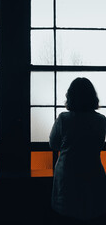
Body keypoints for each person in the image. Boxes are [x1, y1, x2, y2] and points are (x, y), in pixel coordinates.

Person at [49, 77, 106, 225]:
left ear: (70, 96)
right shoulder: (101, 120)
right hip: (92, 171)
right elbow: (99, 145)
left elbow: (53, 144)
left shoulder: (63, 119)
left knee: (66, 213)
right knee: (91, 211)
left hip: (67, 173)